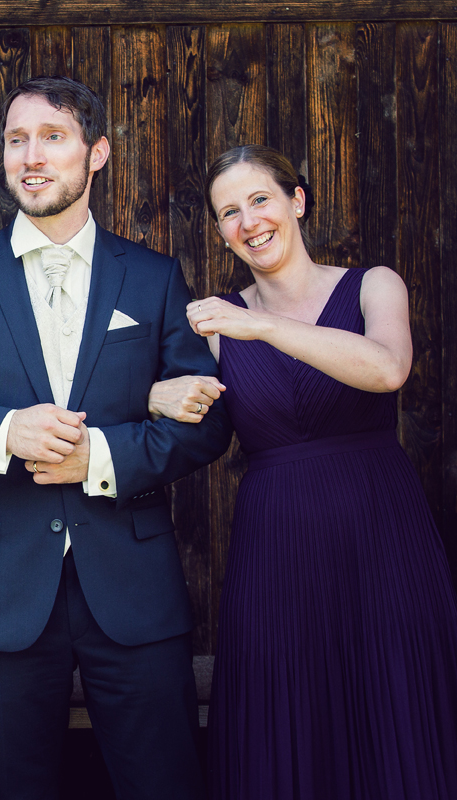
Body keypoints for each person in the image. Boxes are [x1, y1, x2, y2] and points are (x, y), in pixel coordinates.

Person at [0, 75, 233, 800]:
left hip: (135, 590)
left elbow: (210, 421)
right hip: (0, 595)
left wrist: (101, 456)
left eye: (53, 138)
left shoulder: (152, 278)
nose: (31, 156)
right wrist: (5, 431)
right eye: (16, 139)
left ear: (97, 153)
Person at [148, 144, 457, 799]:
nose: (248, 221)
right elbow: (160, 402)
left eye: (260, 199)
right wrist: (157, 395)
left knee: (393, 699)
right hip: (277, 539)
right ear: (221, 231)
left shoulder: (373, 285)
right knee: (287, 710)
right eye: (229, 212)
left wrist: (259, 326)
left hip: (382, 529)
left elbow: (387, 369)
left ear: (297, 201)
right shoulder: (215, 322)